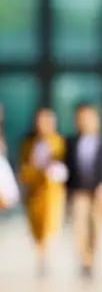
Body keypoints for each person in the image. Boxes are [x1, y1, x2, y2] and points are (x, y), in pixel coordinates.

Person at [66, 102, 102, 278]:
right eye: (81, 118)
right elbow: (67, 167)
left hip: (98, 192)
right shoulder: (71, 142)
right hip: (79, 192)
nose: (84, 121)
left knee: (95, 226)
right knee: (79, 226)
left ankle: (92, 258)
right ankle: (84, 261)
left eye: (88, 117)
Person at [19, 107, 67, 276]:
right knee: (36, 229)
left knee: (50, 226)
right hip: (34, 193)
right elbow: (24, 169)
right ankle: (41, 259)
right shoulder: (29, 144)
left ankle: (46, 260)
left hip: (52, 194)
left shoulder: (59, 142)